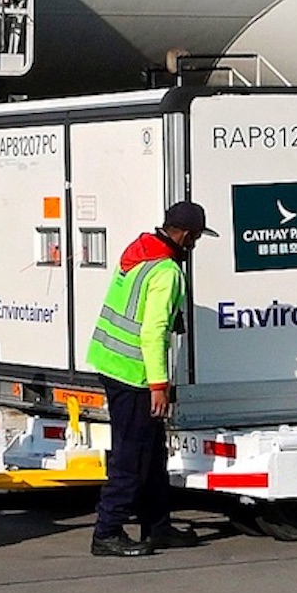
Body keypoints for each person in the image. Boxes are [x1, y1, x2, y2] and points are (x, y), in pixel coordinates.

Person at [84, 200, 215, 557]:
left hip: (110, 362)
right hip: (134, 374)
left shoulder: (140, 250)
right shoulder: (167, 272)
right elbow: (152, 332)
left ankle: (158, 527)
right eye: (197, 239)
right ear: (186, 236)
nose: (195, 245)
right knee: (133, 456)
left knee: (152, 453)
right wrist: (159, 386)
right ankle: (106, 532)